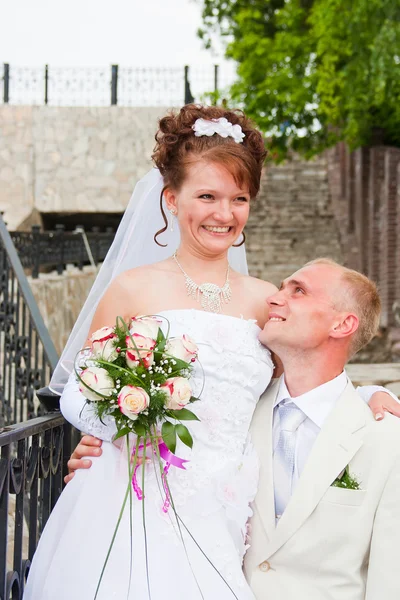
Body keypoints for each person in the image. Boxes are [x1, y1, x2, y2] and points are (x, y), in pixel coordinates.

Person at [24, 105, 398, 600]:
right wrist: (114, 427)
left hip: (227, 505)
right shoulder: (131, 291)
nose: (225, 214)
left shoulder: (267, 301)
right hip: (131, 495)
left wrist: (368, 394)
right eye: (207, 196)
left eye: (238, 199)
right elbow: (78, 392)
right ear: (171, 199)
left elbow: (303, 379)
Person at [244, 259, 400, 599]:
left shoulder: (388, 439)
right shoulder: (236, 414)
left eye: (297, 291)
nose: (274, 297)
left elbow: (390, 578)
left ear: (342, 324)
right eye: (282, 286)